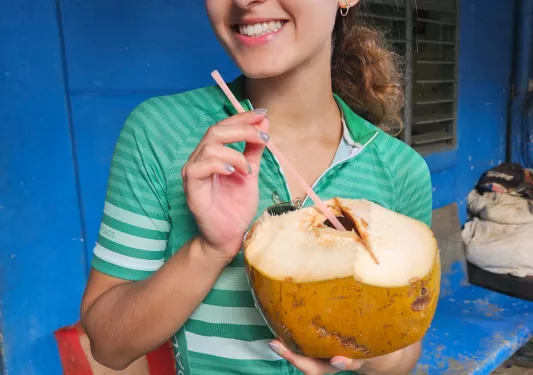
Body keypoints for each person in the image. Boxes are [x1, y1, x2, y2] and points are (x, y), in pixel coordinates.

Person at [79, 0, 433, 374]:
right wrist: (210, 249)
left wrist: (357, 357)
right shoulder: (160, 134)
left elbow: (404, 350)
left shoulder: (401, 171)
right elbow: (107, 345)